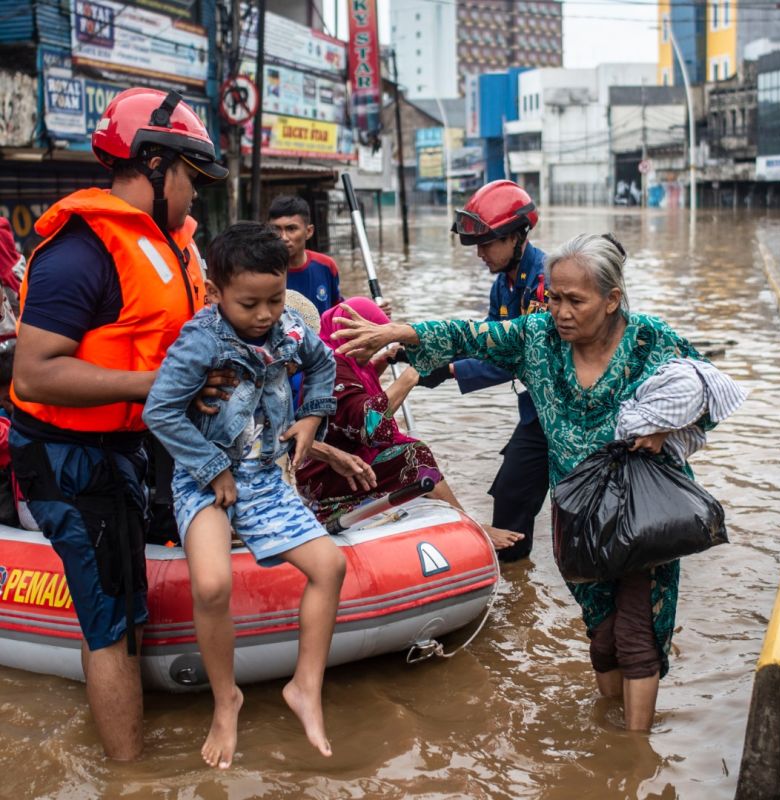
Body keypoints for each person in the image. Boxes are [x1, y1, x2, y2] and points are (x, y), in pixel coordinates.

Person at [332, 233, 739, 731]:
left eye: (575, 300)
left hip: (645, 507)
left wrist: (662, 428)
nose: (561, 312)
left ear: (611, 300)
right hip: (577, 512)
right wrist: (401, 333)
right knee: (601, 629)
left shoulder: (650, 339)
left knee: (639, 631)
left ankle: (634, 751)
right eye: (553, 298)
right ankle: (610, 725)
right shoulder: (537, 338)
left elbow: (705, 389)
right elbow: (472, 336)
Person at [7, 87, 227, 760]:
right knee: (113, 625)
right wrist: (159, 385)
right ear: (154, 164)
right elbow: (34, 374)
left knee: (122, 607)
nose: (197, 194)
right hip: (67, 457)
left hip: (123, 446)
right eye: (191, 176)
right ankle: (128, 777)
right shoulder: (80, 253)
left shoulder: (174, 246)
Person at [142, 221, 343, 768]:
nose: (264, 315)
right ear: (216, 293)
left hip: (261, 474)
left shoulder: (289, 330)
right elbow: (158, 410)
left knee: (330, 565)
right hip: (202, 476)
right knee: (211, 584)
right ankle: (225, 699)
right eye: (250, 303)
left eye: (275, 299)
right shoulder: (201, 340)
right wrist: (211, 469)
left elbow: (323, 363)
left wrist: (311, 417)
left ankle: (305, 687)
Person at [294, 297, 522, 550]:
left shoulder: (347, 360)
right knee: (415, 453)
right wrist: (413, 374)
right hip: (330, 471)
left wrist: (382, 361)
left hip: (346, 457)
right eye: (373, 337)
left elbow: (354, 395)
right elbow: (367, 425)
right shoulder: (333, 367)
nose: (377, 344)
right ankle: (472, 527)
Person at [425, 179, 548, 563]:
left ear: (517, 237)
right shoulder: (503, 285)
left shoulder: (547, 281)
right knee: (511, 493)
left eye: (487, 243)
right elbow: (485, 338)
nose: (480, 253)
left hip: (570, 411)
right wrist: (426, 351)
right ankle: (514, 583)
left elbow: (515, 356)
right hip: (537, 411)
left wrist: (447, 371)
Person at [267, 195, 343, 316]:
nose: (283, 237)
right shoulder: (262, 270)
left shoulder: (327, 266)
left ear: (308, 232)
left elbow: (338, 310)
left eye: (291, 229)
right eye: (276, 229)